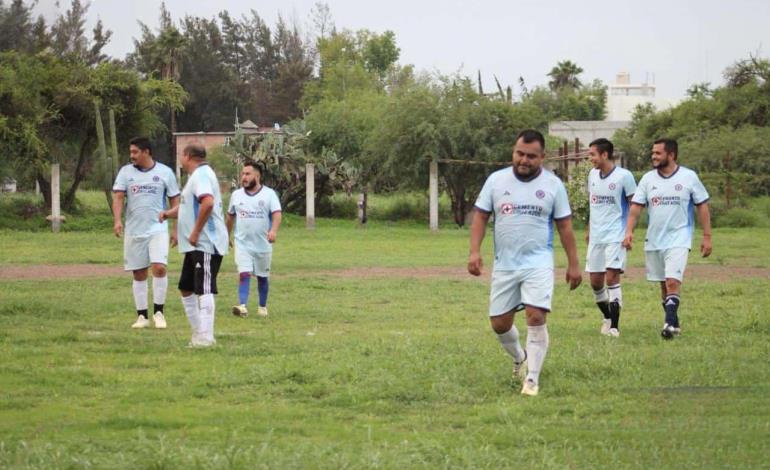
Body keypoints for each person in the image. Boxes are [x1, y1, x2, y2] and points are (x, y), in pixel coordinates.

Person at [468, 129, 582, 397]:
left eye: (531, 156)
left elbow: (565, 227)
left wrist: (574, 264)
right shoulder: (496, 181)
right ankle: (520, 358)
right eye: (520, 153)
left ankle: (532, 379)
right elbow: (481, 217)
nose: (524, 160)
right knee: (499, 324)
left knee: (536, 315)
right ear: (513, 151)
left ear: (542, 157)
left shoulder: (553, 185)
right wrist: (474, 251)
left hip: (538, 262)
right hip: (505, 264)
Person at [623, 138, 712, 339]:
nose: (653, 156)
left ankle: (668, 326)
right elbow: (636, 208)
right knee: (664, 285)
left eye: (658, 153)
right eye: (653, 153)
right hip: (654, 239)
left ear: (671, 155)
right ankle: (675, 323)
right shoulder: (647, 179)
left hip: (679, 237)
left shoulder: (689, 177)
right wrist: (629, 231)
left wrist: (707, 236)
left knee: (673, 281)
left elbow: (702, 206)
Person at [159, 144, 228, 347]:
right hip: (194, 245)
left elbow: (207, 203)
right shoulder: (196, 177)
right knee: (185, 288)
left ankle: (206, 337)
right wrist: (167, 214)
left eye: (182, 155)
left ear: (187, 156)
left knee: (204, 289)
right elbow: (188, 206)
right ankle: (199, 334)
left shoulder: (202, 175)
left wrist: (196, 231)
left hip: (206, 242)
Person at [112, 137, 180, 329]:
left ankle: (159, 312)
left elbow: (175, 202)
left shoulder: (165, 172)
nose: (131, 155)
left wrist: (175, 228)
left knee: (159, 267)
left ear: (146, 152)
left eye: (135, 152)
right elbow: (118, 197)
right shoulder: (125, 172)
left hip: (157, 229)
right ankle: (142, 316)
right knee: (139, 272)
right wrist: (117, 220)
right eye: (131, 152)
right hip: (134, 230)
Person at [585, 138, 637, 337]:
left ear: (604, 155)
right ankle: (607, 317)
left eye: (593, 154)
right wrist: (590, 229)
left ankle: (615, 327)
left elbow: (634, 206)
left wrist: (629, 232)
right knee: (596, 282)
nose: (590, 159)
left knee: (611, 277)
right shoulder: (592, 175)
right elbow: (593, 204)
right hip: (597, 236)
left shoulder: (624, 176)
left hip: (616, 234)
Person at [226, 161, 282, 318]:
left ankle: (262, 307)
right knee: (244, 274)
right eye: (242, 174)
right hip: (242, 243)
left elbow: (277, 214)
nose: (243, 177)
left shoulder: (269, 194)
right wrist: (227, 235)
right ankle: (242, 306)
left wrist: (273, 231)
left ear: (257, 176)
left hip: (263, 245)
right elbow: (230, 216)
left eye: (247, 174)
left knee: (262, 278)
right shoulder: (236, 195)